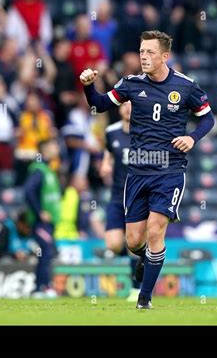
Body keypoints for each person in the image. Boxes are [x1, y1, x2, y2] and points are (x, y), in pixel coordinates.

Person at [80, 30, 215, 308]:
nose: (144, 57)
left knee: (155, 232)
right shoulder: (130, 84)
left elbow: (207, 118)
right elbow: (99, 104)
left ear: (165, 56)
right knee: (132, 242)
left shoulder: (186, 86)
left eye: (150, 52)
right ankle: (146, 258)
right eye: (142, 51)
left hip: (170, 171)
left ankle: (144, 298)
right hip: (138, 172)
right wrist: (88, 87)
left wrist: (192, 137)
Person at [99, 101, 140, 302]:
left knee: (133, 244)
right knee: (114, 244)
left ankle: (135, 288)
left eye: (132, 104)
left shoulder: (145, 130)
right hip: (117, 196)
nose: (128, 108)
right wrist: (105, 164)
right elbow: (108, 152)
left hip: (138, 196)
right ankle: (138, 256)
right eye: (124, 104)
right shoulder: (111, 132)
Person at [24, 139, 61, 297]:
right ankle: (40, 287)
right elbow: (28, 191)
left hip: (49, 221)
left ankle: (43, 286)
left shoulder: (48, 169)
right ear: (45, 150)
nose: (57, 148)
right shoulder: (39, 169)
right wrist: (40, 212)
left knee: (47, 252)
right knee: (45, 252)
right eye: (54, 145)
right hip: (41, 222)